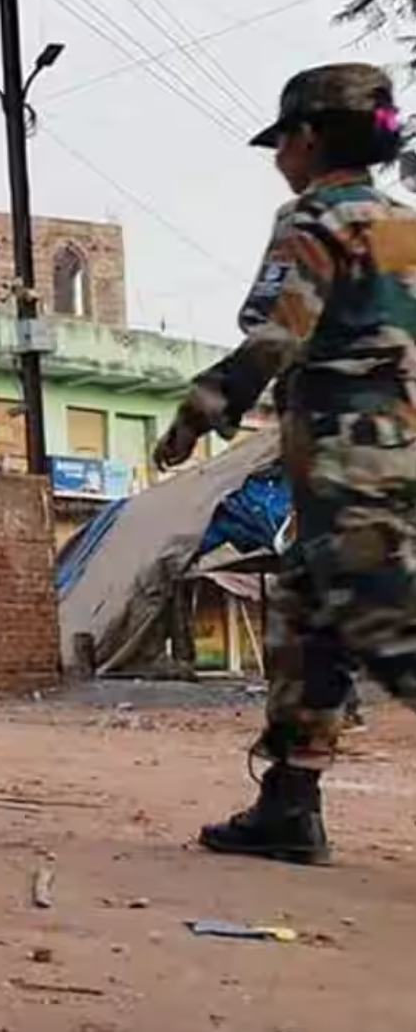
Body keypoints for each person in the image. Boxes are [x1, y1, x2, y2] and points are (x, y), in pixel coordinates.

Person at [154, 61, 416, 866]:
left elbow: (278, 334)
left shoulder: (315, 216)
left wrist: (200, 410)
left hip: (349, 452)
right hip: (394, 444)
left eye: (282, 142)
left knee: (384, 621)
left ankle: (290, 802)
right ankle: (289, 803)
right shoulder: (401, 224)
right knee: (309, 619)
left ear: (307, 138)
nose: (278, 158)